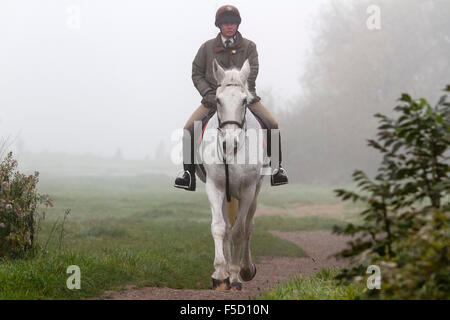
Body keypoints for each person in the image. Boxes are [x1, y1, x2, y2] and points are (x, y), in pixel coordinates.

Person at [174, 4, 288, 191]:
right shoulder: (207, 47)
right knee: (188, 129)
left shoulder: (249, 47)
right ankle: (187, 174)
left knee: (272, 123)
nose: (229, 26)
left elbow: (252, 72)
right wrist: (210, 95)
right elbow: (197, 73)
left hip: (245, 99)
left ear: (237, 25)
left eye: (233, 23)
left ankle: (277, 169)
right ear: (219, 25)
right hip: (213, 100)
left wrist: (241, 94)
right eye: (226, 23)